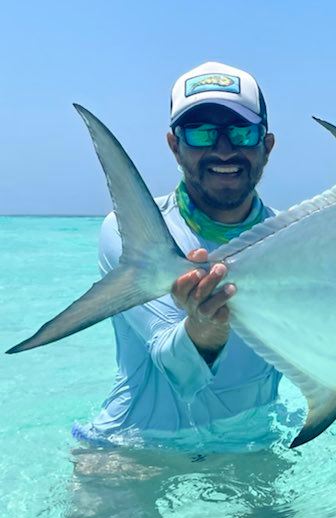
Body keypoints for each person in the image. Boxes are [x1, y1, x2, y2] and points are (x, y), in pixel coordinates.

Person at [72, 61, 283, 449]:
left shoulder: (294, 241)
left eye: (240, 131)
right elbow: (175, 368)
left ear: (265, 146)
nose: (223, 149)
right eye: (201, 133)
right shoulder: (132, 233)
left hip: (254, 446)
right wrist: (203, 330)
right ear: (174, 145)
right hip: (133, 449)